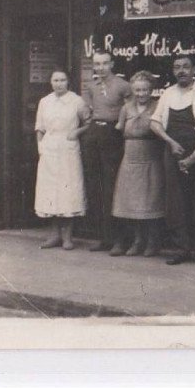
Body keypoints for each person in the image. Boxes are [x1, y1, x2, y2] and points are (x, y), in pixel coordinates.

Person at [150, 56, 195, 266]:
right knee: (176, 203)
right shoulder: (168, 94)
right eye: (177, 67)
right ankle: (181, 249)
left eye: (185, 67)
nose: (181, 71)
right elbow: (155, 123)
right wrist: (170, 142)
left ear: (194, 69)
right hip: (174, 152)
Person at [81, 49, 132, 254]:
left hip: (114, 133)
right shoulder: (91, 86)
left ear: (112, 64)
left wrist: (120, 128)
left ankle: (120, 240)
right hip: (95, 132)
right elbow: (88, 110)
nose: (100, 67)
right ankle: (103, 238)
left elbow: (130, 111)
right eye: (97, 64)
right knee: (96, 186)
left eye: (104, 63)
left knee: (113, 186)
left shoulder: (123, 85)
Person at [34, 69, 91, 250]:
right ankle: (54, 236)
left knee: (68, 191)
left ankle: (68, 237)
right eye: (55, 80)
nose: (59, 83)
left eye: (62, 80)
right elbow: (39, 127)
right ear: (51, 82)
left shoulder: (77, 101)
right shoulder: (45, 102)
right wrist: (40, 147)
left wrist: (77, 132)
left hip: (68, 149)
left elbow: (89, 122)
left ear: (68, 82)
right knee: (50, 192)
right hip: (49, 150)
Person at [111, 71, 165, 257]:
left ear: (151, 90)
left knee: (150, 202)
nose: (141, 94)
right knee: (131, 203)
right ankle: (137, 240)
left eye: (145, 90)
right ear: (132, 90)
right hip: (130, 160)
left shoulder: (158, 106)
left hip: (151, 160)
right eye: (137, 90)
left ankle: (152, 242)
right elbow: (119, 129)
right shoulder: (126, 108)